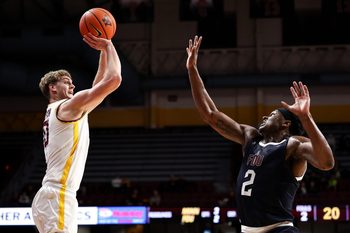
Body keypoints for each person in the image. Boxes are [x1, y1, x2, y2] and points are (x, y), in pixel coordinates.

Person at [186, 35, 334, 233]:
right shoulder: (251, 138)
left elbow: (326, 163)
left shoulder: (293, 146)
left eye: (272, 114)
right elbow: (211, 115)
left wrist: (306, 118)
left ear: (285, 124)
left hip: (280, 229)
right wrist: (192, 70)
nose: (265, 116)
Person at [31, 33, 122, 233]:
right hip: (58, 194)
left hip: (54, 196)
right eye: (66, 81)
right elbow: (114, 79)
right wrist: (108, 46)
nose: (72, 85)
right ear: (52, 88)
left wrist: (103, 53)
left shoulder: (64, 110)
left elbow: (98, 86)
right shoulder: (66, 108)